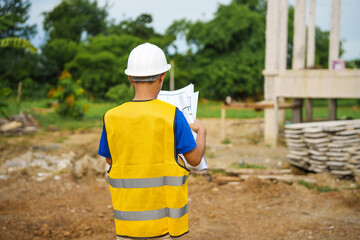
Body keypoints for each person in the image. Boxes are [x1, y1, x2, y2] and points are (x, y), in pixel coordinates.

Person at [98, 42, 206, 239]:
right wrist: (202, 132)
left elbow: (110, 161)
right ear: (162, 76)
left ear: (130, 78)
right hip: (166, 225)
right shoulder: (172, 115)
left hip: (128, 225)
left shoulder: (111, 117)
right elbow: (195, 159)